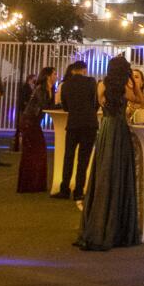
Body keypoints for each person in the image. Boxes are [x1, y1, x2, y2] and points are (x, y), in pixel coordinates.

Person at [77, 56, 143, 251]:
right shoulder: (125, 88)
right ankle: (116, 222)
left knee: (103, 171)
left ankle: (97, 220)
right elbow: (141, 101)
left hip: (106, 128)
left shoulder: (102, 85)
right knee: (119, 173)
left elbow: (100, 103)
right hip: (120, 130)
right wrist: (134, 83)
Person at [57, 60, 98, 200]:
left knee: (68, 156)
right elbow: (96, 102)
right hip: (89, 124)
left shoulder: (66, 85)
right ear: (84, 70)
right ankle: (79, 191)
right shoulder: (92, 82)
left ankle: (64, 189)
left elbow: (65, 107)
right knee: (83, 159)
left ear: (73, 70)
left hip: (73, 124)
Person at [16, 67, 55, 192]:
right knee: (35, 152)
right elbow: (45, 105)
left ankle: (33, 184)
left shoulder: (48, 89)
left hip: (33, 122)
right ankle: (31, 185)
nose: (56, 76)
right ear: (48, 76)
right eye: (54, 74)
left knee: (35, 152)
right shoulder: (41, 89)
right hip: (30, 122)